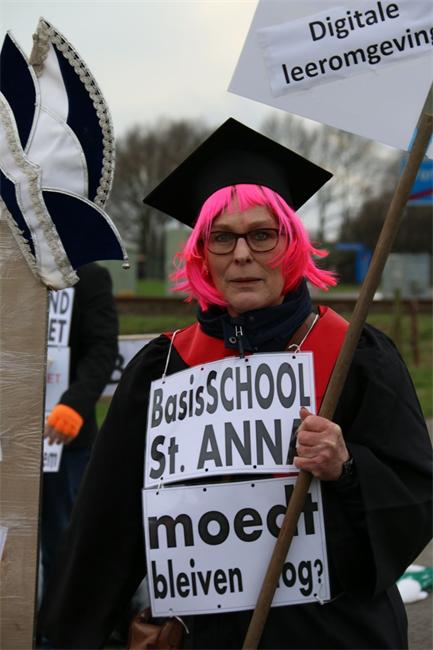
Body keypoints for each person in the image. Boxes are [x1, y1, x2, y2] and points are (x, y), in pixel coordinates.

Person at [39, 119, 432, 649]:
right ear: (201, 254)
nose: (242, 254)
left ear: (292, 245)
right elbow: (104, 531)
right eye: (222, 237)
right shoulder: (164, 368)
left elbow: (415, 500)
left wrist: (346, 468)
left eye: (262, 235)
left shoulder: (354, 355)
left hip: (333, 633)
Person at [40, 262, 118, 598]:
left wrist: (73, 405)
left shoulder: (88, 276)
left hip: (63, 438)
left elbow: (102, 350)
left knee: (63, 541)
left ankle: (58, 621)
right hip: (10, 435)